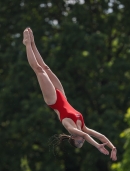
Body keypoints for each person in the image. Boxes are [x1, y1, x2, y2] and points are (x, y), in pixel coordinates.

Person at [23, 28, 117, 161]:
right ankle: (32, 43)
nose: (81, 141)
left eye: (78, 143)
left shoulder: (70, 128)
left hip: (53, 100)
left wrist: (97, 146)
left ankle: (27, 44)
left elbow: (85, 136)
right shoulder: (83, 126)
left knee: (39, 71)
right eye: (81, 144)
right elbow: (101, 136)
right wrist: (112, 147)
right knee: (45, 67)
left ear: (73, 137)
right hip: (62, 95)